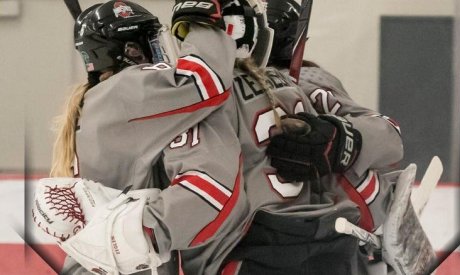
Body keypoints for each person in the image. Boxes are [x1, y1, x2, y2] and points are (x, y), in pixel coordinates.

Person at [33, 1, 407, 274]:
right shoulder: (299, 84)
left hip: (239, 254)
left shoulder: (152, 103)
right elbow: (388, 140)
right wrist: (347, 145)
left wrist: (142, 232)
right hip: (334, 243)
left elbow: (210, 189)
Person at [263, 1, 436, 274]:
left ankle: (380, 216)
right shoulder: (212, 89)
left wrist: (340, 140)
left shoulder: (306, 81)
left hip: (306, 229)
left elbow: (388, 136)